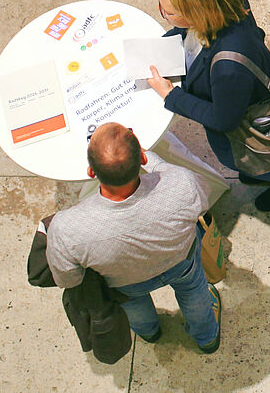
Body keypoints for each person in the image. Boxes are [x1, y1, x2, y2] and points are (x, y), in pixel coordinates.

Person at [147, 0, 270, 213]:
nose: (163, 13)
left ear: (196, 13)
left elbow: (223, 120)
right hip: (238, 90)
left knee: (248, 159)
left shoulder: (228, 68)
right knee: (250, 164)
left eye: (167, 12)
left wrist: (172, 95)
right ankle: (261, 170)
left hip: (244, 126)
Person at [45, 123, 223, 353]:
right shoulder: (182, 182)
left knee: (134, 305)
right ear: (141, 159)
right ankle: (206, 338)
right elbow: (202, 207)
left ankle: (150, 332)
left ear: (90, 172)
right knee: (194, 293)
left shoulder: (66, 228)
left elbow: (67, 280)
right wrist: (153, 159)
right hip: (182, 262)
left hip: (124, 282)